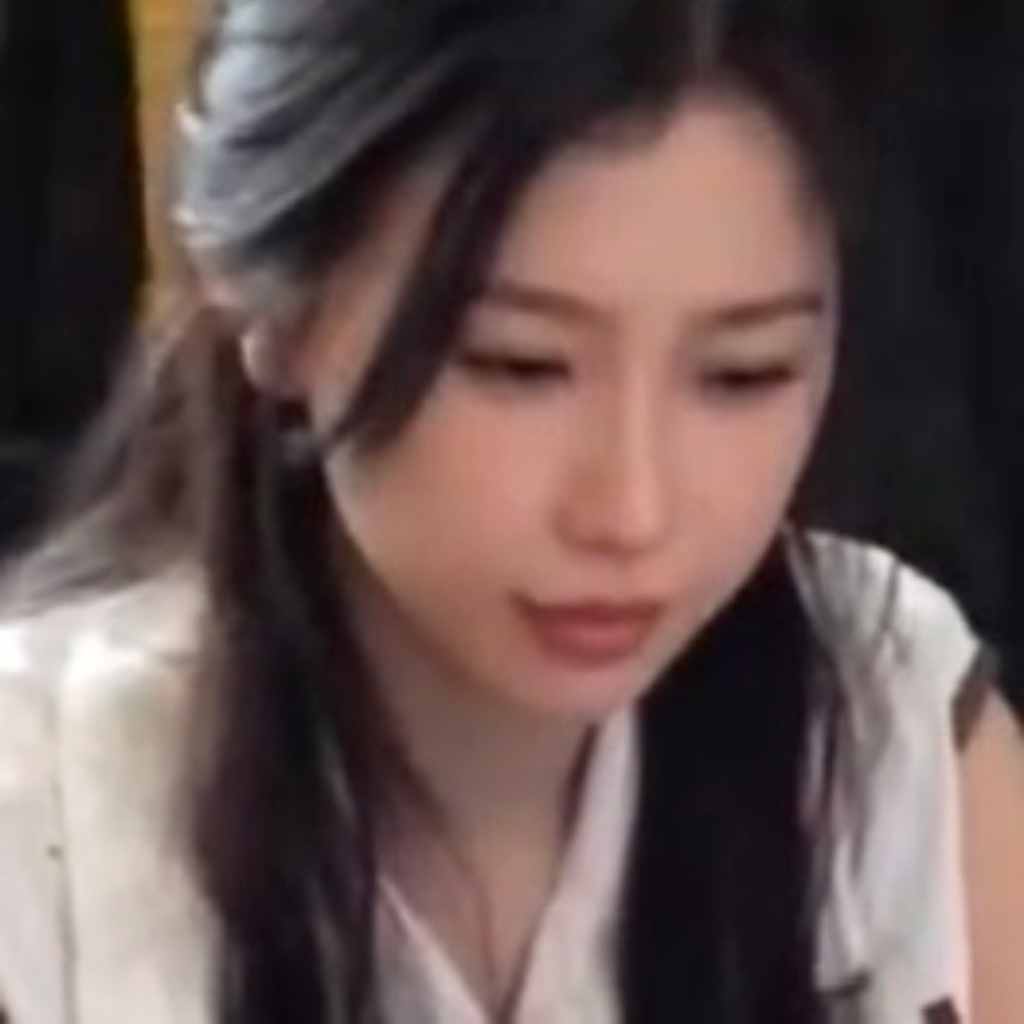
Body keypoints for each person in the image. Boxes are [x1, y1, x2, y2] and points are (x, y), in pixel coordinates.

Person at [0, 0, 1022, 1021]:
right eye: (520, 365)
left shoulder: (885, 714)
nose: (631, 511)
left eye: (742, 372)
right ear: (274, 308)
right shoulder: (41, 817)